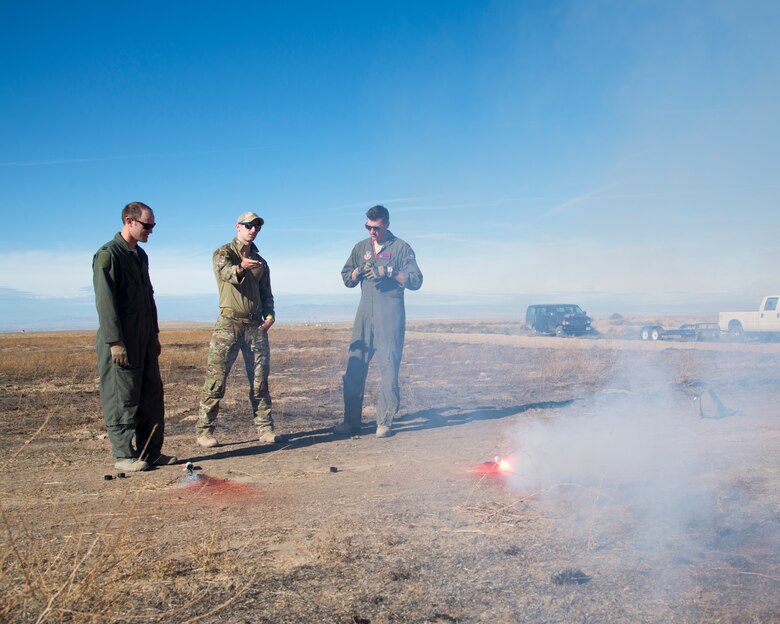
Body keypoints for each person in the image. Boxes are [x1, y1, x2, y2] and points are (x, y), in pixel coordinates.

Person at [93, 201, 177, 472]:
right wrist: (114, 342)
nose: (150, 231)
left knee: (151, 394)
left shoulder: (140, 256)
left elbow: (148, 299)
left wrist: (154, 335)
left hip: (145, 339)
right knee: (123, 395)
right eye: (146, 225)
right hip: (122, 340)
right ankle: (123, 454)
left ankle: (151, 451)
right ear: (129, 221)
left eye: (153, 226)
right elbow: (106, 303)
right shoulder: (109, 255)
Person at [335, 205, 423, 438]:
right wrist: (358, 271)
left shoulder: (401, 248)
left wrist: (389, 272)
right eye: (367, 227)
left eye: (375, 227)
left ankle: (384, 421)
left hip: (389, 317)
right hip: (364, 315)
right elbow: (346, 278)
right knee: (354, 369)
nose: (371, 231)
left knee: (389, 368)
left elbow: (416, 280)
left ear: (386, 224)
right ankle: (350, 422)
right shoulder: (361, 248)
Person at [196, 212, 278, 448]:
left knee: (259, 381)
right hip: (228, 324)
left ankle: (265, 428)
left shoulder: (261, 262)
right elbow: (226, 274)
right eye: (249, 226)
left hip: (255, 326)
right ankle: (204, 431)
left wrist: (270, 315)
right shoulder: (223, 253)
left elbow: (267, 294)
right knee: (216, 380)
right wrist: (241, 266)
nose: (253, 230)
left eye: (257, 227)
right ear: (238, 227)